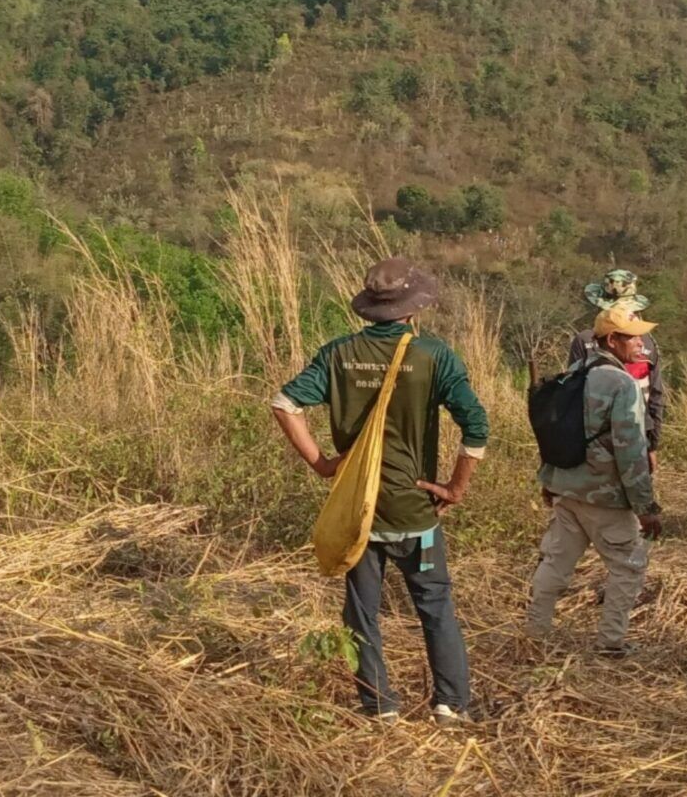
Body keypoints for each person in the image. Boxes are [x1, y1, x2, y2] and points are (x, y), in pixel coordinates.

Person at [270, 257, 489, 726]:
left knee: (361, 612)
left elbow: (284, 402)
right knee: (435, 606)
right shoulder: (434, 355)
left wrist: (322, 464)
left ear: (370, 308)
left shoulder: (338, 354)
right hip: (415, 513)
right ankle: (451, 704)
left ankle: (378, 705)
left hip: (359, 511)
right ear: (415, 308)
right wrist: (454, 487)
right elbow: (476, 424)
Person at [528, 305, 663, 655]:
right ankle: (611, 643)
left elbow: (554, 433)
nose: (640, 343)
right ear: (612, 340)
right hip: (605, 496)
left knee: (556, 562)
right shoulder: (622, 384)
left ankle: (535, 632)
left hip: (567, 488)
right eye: (632, 337)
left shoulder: (573, 372)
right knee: (628, 566)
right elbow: (631, 449)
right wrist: (645, 505)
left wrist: (550, 479)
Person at [568, 269, 665, 469]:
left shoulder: (584, 340)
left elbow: (571, 395)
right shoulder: (646, 341)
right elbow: (655, 398)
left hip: (591, 442)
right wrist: (651, 445)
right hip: (636, 437)